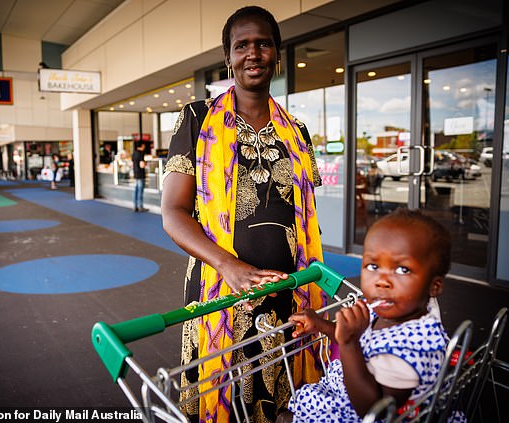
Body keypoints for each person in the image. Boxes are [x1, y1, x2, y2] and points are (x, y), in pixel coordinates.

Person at [161, 6, 324, 422]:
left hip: (291, 292)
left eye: (263, 43)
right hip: (220, 295)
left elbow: (305, 218)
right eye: (242, 45)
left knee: (285, 402)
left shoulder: (298, 132)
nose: (253, 53)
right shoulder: (196, 119)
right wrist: (228, 265)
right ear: (228, 57)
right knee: (224, 404)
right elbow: (173, 212)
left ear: (277, 54)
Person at [282, 208, 452, 422]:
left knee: (286, 418)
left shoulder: (415, 346)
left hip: (363, 411)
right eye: (373, 266)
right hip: (345, 391)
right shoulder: (386, 310)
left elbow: (374, 411)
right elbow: (356, 336)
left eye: (402, 270)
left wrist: (349, 344)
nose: (382, 281)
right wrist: (322, 326)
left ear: (434, 286)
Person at [132, 142, 148, 212]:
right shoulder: (141, 154)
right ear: (141, 145)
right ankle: (140, 206)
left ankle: (135, 206)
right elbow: (142, 165)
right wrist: (145, 163)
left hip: (135, 173)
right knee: (140, 191)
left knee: (136, 190)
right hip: (141, 174)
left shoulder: (134, 153)